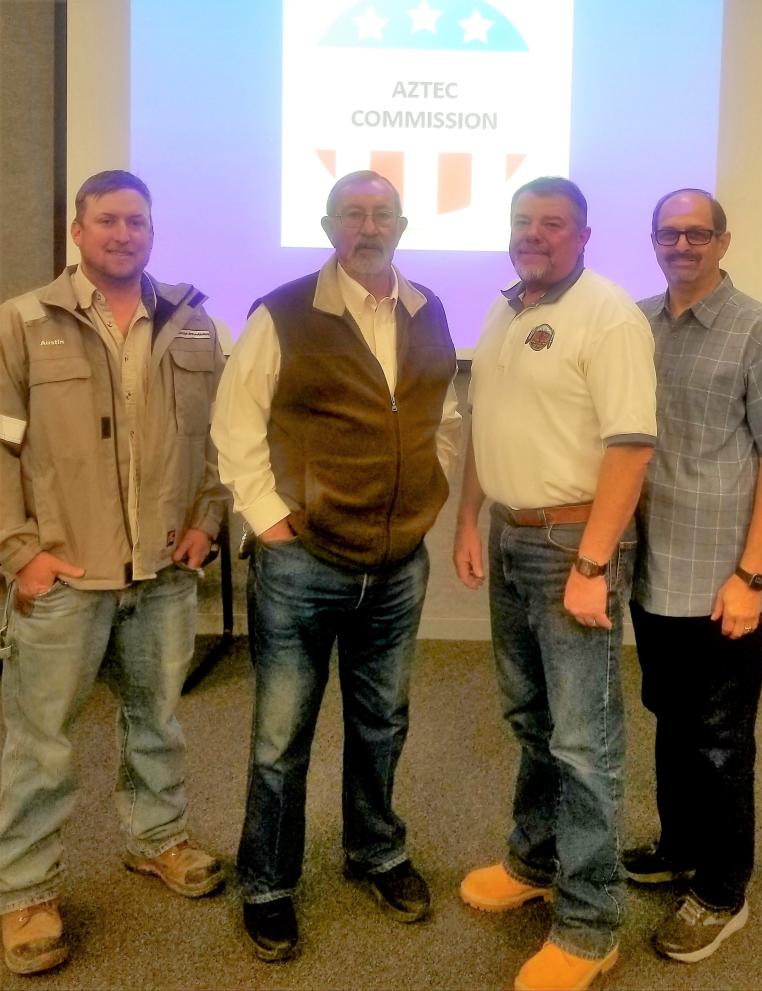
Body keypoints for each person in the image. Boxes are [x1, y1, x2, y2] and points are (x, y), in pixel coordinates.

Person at [212, 170, 460, 962]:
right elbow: (236, 422)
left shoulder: (429, 309)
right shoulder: (284, 312)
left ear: (404, 223)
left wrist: (433, 488)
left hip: (397, 564)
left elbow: (444, 414)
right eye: (352, 213)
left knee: (382, 721)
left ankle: (376, 850)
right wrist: (269, 518)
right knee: (281, 735)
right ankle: (268, 882)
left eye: (382, 212)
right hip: (303, 562)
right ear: (327, 226)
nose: (368, 225)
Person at [0, 170, 227, 976]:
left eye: (137, 221)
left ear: (152, 230)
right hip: (66, 571)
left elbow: (219, 442)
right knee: (41, 742)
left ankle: (157, 840)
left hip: (164, 568)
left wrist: (207, 521)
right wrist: (20, 553)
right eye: (107, 221)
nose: (124, 234)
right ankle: (24, 892)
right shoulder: (24, 323)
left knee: (156, 717)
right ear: (77, 230)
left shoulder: (194, 324)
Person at [454, 176, 657, 991]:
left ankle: (589, 923)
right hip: (511, 534)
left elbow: (632, 447)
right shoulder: (506, 308)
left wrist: (593, 565)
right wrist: (469, 518)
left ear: (582, 234)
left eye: (551, 224)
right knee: (531, 718)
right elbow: (484, 422)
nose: (532, 235)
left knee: (585, 740)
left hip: (573, 543)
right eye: (521, 222)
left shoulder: (606, 314)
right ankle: (535, 861)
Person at [624, 188, 762, 963]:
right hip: (652, 566)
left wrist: (752, 573)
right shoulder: (636, 323)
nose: (683, 245)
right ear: (653, 241)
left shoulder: (759, 330)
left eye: (698, 233)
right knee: (670, 715)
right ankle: (679, 847)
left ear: (723, 241)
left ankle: (721, 890)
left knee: (720, 738)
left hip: (720, 577)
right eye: (670, 233)